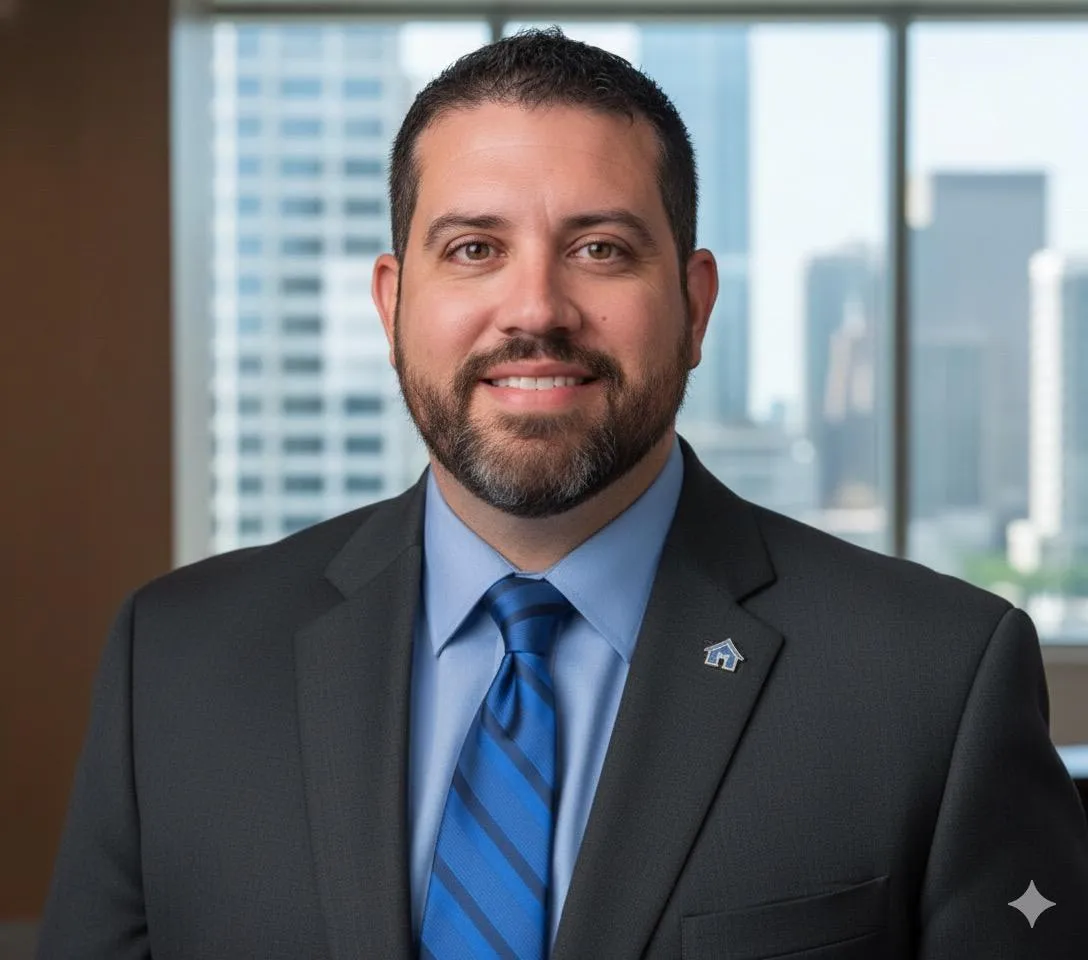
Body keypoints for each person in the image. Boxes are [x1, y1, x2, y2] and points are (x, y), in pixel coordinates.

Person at [39, 27, 1088, 960]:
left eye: (599, 249)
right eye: (473, 249)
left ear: (692, 302)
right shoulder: (171, 665)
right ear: (392, 302)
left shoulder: (933, 681)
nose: (534, 307)